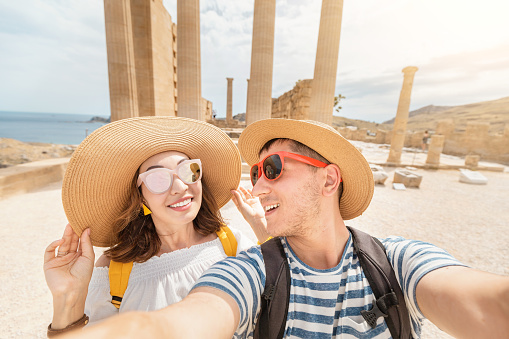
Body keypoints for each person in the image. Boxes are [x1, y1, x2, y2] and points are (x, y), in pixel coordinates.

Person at [60, 118, 509, 339]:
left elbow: (490, 305)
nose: (257, 183)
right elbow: (175, 325)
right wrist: (67, 303)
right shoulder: (249, 273)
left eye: (272, 168)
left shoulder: (398, 262)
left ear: (329, 178)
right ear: (140, 196)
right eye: (255, 171)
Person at [43, 116, 261, 337]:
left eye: (189, 170)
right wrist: (69, 296)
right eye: (158, 179)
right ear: (140, 198)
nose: (180, 187)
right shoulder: (114, 270)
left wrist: (263, 228)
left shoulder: (232, 244)